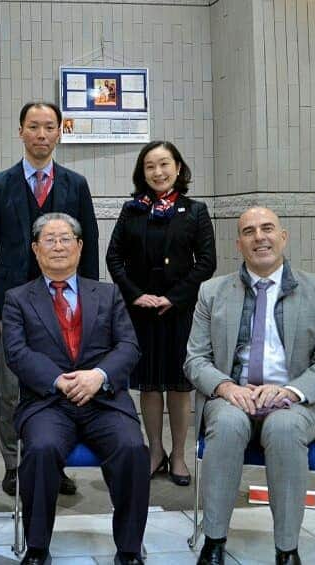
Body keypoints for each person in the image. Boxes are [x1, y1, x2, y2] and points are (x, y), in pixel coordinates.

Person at [184, 207, 315, 565]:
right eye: (249, 231)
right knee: (226, 423)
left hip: (293, 403)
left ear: (283, 237)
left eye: (268, 228)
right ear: (238, 244)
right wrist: (227, 388)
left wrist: (289, 391)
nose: (260, 237)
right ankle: (214, 541)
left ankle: (287, 549)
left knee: (285, 428)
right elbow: (195, 360)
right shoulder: (212, 292)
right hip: (231, 397)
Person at [2, 213, 148, 565]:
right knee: (40, 449)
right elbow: (16, 353)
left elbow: (128, 346)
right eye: (48, 240)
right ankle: (37, 548)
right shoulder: (17, 298)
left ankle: (129, 549)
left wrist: (98, 375)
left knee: (132, 448)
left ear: (80, 247)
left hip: (104, 400)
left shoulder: (109, 294)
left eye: (65, 238)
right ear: (36, 250)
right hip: (47, 403)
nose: (57, 246)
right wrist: (58, 380)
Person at [0, 101, 99, 497]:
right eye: (33, 127)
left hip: (66, 303)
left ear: (60, 132)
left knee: (60, 384)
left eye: (49, 127)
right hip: (12, 303)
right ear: (21, 132)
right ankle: (14, 463)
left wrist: (92, 303)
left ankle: (53, 461)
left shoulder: (75, 184)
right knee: (12, 388)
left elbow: (90, 246)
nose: (41, 134)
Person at [106, 141, 216, 485]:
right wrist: (137, 296)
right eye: (150, 166)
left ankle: (180, 455)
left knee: (179, 387)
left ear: (178, 168)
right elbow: (114, 258)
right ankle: (155, 451)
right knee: (150, 386)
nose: (158, 172)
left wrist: (175, 297)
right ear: (142, 172)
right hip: (141, 313)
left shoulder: (195, 211)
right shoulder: (131, 210)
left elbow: (206, 262)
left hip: (181, 312)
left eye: (165, 164)